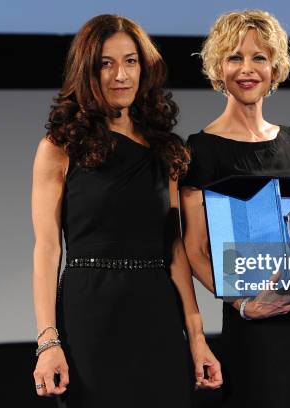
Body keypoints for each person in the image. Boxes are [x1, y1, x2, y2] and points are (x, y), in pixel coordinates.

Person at [30, 14, 222, 408]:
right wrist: (48, 341)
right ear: (87, 70)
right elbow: (47, 250)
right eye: (107, 63)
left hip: (156, 312)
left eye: (131, 61)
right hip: (90, 313)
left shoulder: (165, 148)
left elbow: (175, 251)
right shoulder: (60, 146)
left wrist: (197, 337)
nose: (121, 75)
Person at [180, 10, 290, 408]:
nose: (247, 69)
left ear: (275, 66)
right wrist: (244, 304)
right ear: (217, 66)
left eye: (259, 57)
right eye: (234, 57)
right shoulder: (200, 149)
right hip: (258, 324)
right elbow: (193, 251)